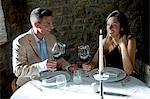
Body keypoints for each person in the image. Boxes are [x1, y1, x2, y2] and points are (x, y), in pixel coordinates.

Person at [12, 7, 77, 87]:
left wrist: (68, 66)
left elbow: (58, 59)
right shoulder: (20, 42)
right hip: (30, 84)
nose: (52, 27)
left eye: (52, 23)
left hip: (51, 80)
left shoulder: (51, 38)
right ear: (36, 25)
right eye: (48, 24)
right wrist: (41, 66)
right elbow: (18, 70)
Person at [82, 10, 136, 76]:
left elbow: (129, 71)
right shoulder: (105, 41)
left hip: (127, 81)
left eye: (114, 24)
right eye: (108, 24)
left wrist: (122, 46)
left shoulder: (130, 41)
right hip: (110, 78)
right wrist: (90, 66)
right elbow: (94, 62)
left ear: (122, 27)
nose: (110, 28)